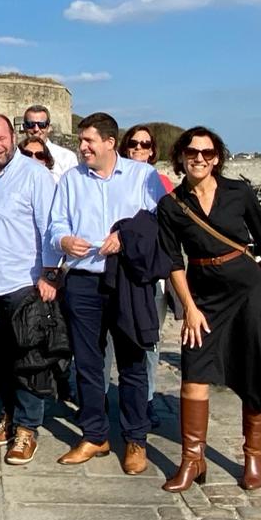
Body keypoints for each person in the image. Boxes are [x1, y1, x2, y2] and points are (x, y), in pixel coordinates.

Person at [158, 127, 261, 492]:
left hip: (249, 293)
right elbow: (173, 262)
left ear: (216, 157)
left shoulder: (239, 192)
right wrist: (189, 307)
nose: (198, 158)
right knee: (193, 376)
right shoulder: (171, 205)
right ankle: (192, 460)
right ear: (181, 157)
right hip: (203, 296)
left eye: (206, 152)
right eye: (191, 152)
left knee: (253, 374)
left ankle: (253, 455)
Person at [46, 112, 166, 474]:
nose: (82, 147)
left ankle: (135, 439)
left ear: (110, 143)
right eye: (81, 141)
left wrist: (126, 235)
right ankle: (95, 434)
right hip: (82, 281)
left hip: (127, 279)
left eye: (88, 141)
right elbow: (56, 223)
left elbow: (159, 221)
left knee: (132, 362)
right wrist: (63, 240)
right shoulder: (70, 179)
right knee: (88, 363)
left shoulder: (142, 176)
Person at [0, 116, 59, 464]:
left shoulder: (34, 175)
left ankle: (27, 428)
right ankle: (8, 416)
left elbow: (50, 226)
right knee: (1, 354)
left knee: (29, 357)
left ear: (12, 137)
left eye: (1, 138)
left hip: (24, 280)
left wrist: (50, 274)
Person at [118, 124, 173, 426]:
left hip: (150, 273)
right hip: (116, 270)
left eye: (145, 144)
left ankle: (147, 400)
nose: (138, 148)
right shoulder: (113, 179)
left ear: (153, 150)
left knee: (149, 341)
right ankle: (101, 399)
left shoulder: (160, 181)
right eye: (133, 144)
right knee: (109, 344)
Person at [22, 104, 78, 178]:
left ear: (49, 128)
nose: (36, 129)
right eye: (30, 124)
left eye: (42, 125)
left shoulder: (67, 158)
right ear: (24, 127)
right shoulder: (14, 157)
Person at [120, 124, 174, 194]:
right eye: (132, 143)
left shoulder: (162, 182)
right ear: (125, 148)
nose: (138, 147)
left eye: (145, 144)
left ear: (151, 151)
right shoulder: (115, 179)